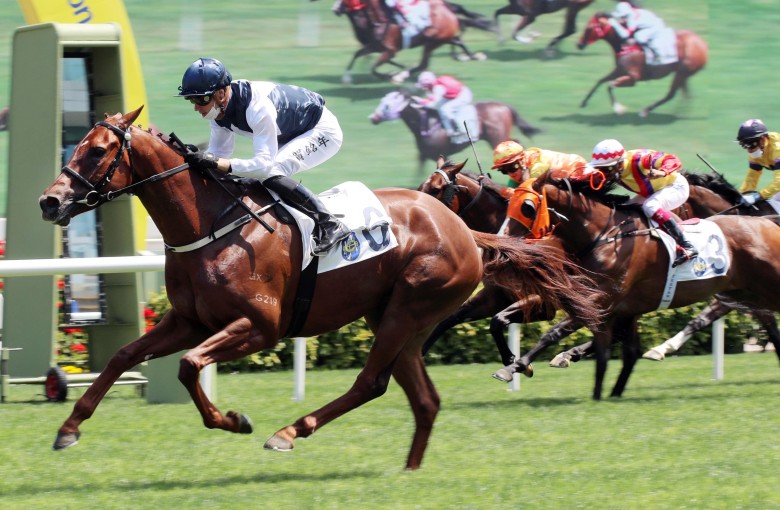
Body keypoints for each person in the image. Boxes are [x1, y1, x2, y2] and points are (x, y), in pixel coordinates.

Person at [176, 58, 350, 256]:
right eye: (192, 100)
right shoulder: (219, 110)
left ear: (221, 93)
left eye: (201, 100)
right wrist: (199, 158)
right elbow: (219, 156)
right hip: (290, 132)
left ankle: (330, 224)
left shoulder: (257, 108)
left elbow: (263, 166)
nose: (196, 107)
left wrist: (215, 161)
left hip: (321, 130)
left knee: (272, 171)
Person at [589, 139, 698, 268]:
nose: (604, 174)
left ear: (619, 164)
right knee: (626, 209)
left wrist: (662, 171)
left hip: (675, 187)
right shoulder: (614, 168)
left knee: (650, 206)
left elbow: (672, 159)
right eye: (600, 169)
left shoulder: (639, 159)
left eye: (607, 169)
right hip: (651, 193)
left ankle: (687, 245)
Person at [490, 140, 594, 188]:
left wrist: (494, 187)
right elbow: (511, 193)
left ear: (522, 160)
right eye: (504, 170)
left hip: (579, 172)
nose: (510, 173)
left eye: (511, 167)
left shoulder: (537, 168)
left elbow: (527, 193)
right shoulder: (519, 170)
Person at [610, 1, 677, 65]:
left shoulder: (633, 18)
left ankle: (658, 54)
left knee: (639, 37)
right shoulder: (633, 13)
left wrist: (615, 24)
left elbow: (625, 35)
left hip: (655, 27)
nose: (622, 18)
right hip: (648, 25)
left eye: (623, 16)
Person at [415, 71, 473, 140]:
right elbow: (432, 99)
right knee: (441, 108)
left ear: (429, 83)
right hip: (452, 95)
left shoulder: (438, 88)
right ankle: (450, 130)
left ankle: (459, 129)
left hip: (463, 95)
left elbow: (434, 104)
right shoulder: (436, 85)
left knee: (445, 109)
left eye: (424, 86)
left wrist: (421, 102)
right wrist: (422, 101)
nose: (423, 88)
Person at [736, 118, 780, 209]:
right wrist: (740, 195)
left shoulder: (777, 149)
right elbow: (752, 176)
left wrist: (759, 196)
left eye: (751, 144)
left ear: (763, 139)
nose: (749, 149)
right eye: (745, 145)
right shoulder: (757, 150)